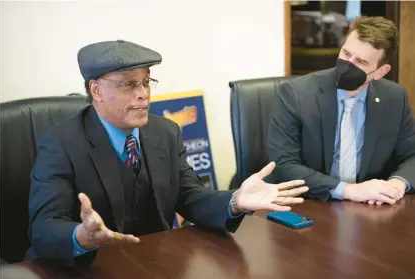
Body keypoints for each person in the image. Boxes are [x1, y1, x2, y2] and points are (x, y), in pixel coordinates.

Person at [26, 39, 309, 267]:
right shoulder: (60, 142)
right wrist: (82, 236)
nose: (143, 94)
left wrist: (236, 201)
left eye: (146, 82)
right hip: (89, 267)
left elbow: (189, 196)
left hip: (155, 261)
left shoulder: (165, 132)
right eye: (129, 84)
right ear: (96, 90)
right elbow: (44, 227)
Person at [267, 16, 415, 205]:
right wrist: (348, 190)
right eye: (346, 54)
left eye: (361, 62)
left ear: (380, 72)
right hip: (309, 204)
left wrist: (396, 184)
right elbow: (284, 165)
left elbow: (412, 155)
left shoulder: (394, 98)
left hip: (368, 208)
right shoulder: (295, 94)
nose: (348, 64)